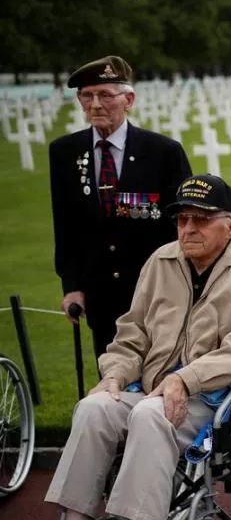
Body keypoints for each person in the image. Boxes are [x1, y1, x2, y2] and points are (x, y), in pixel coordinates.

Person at [8, 174, 231, 520]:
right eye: (182, 220)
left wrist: (184, 379)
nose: (189, 228)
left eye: (202, 219)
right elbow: (132, 334)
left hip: (211, 402)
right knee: (94, 408)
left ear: (230, 225)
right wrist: (116, 374)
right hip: (152, 388)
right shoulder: (161, 262)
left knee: (150, 416)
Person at [51, 55, 192, 358]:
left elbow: (182, 223)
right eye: (87, 95)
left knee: (156, 378)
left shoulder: (162, 152)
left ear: (128, 99)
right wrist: (72, 286)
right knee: (110, 381)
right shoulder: (64, 152)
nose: (95, 104)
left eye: (105, 94)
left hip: (155, 289)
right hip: (100, 291)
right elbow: (65, 225)